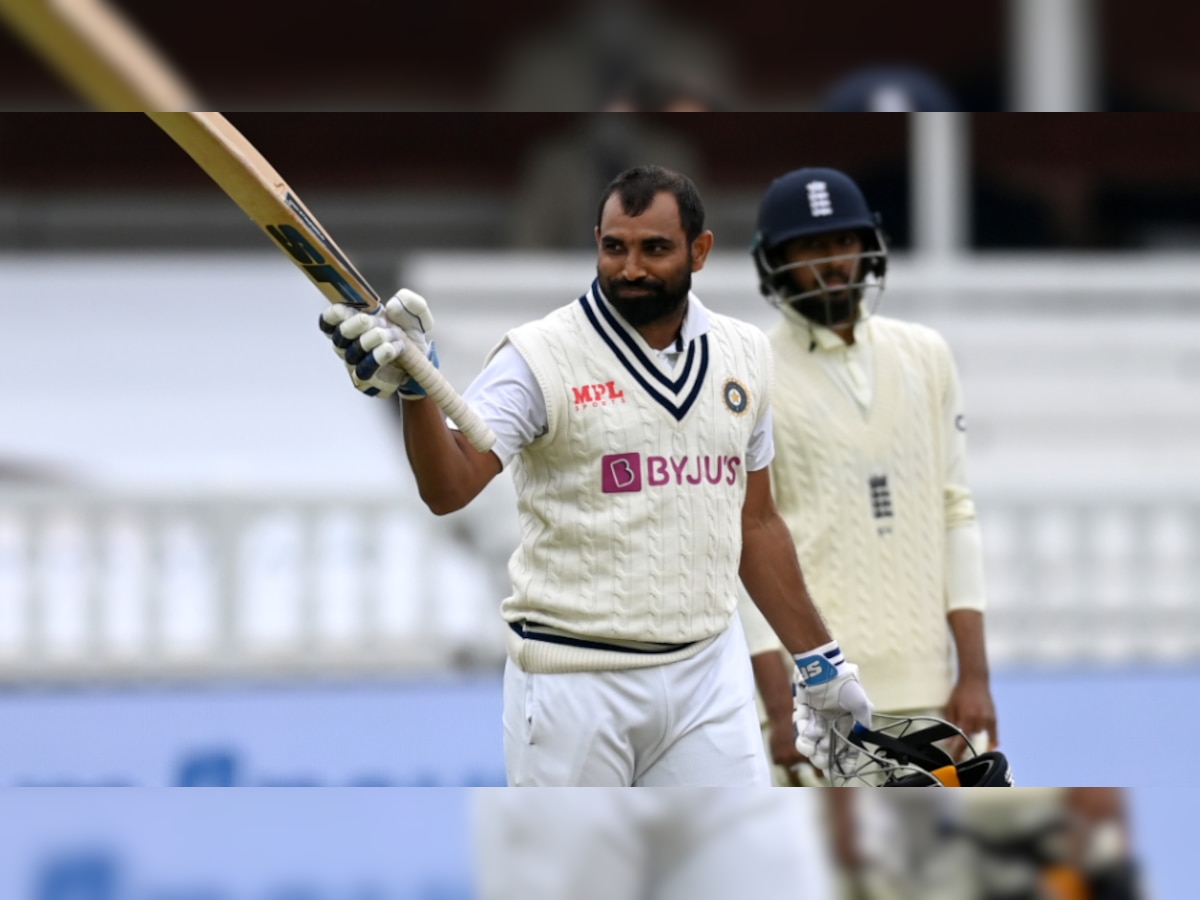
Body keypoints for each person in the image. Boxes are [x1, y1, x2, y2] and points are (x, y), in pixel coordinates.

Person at [319, 164, 872, 786]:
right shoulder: (539, 354)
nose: (630, 268)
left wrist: (821, 663)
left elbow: (757, 521)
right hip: (572, 683)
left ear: (700, 250)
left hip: (708, 677)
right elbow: (449, 488)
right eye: (615, 247)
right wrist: (418, 391)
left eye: (654, 249)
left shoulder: (745, 354)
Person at [749, 166, 997, 776]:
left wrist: (974, 674)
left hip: (933, 688)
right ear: (775, 260)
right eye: (810, 246)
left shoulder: (927, 355)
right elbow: (743, 541)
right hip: (816, 697)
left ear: (868, 248)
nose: (832, 261)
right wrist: (778, 704)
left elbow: (955, 512)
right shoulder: (748, 368)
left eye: (843, 241)